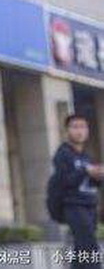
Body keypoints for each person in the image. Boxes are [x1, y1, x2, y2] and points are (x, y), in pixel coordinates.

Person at [53, 114, 104, 268]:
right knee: (89, 248)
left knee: (81, 250)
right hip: (74, 206)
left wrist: (97, 175)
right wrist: (85, 171)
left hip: (89, 205)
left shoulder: (85, 156)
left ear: (88, 130)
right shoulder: (63, 154)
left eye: (83, 127)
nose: (79, 131)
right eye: (75, 127)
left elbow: (90, 184)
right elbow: (64, 181)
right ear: (67, 131)